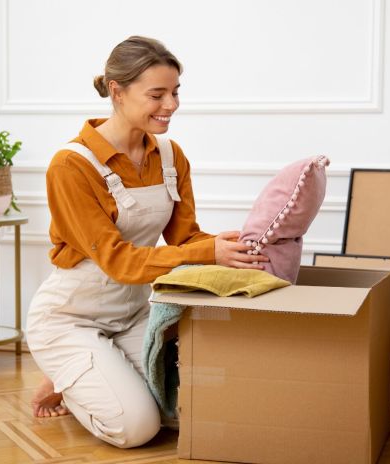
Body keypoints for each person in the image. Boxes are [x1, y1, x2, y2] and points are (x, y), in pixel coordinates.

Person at [25, 36, 268, 448]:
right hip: (70, 318)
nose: (170, 105)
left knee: (190, 410)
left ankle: (89, 372)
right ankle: (70, 373)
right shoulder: (71, 165)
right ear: (117, 91)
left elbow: (186, 238)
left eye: (175, 92)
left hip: (134, 313)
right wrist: (207, 252)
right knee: (137, 429)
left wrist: (235, 247)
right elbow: (118, 262)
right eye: (157, 94)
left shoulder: (171, 156)